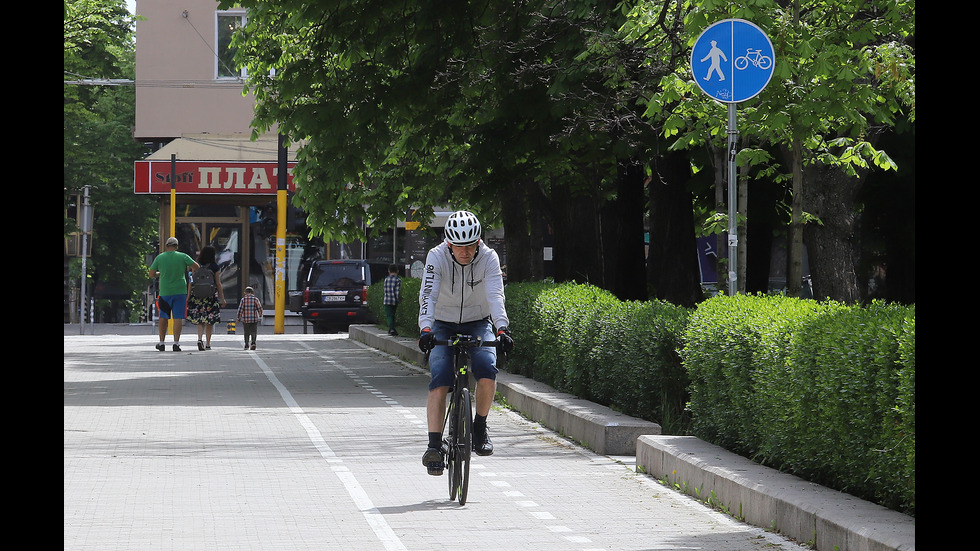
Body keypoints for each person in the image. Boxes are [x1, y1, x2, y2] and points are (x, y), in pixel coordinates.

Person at [418, 210, 514, 476]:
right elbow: (428, 294)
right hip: (442, 322)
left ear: (479, 241)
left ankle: (480, 426)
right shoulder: (436, 257)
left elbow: (495, 294)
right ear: (449, 243)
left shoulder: (489, 258)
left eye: (471, 245)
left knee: (487, 368)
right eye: (459, 246)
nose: (465, 251)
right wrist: (425, 328)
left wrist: (502, 328)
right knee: (440, 378)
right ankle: (434, 445)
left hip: (478, 321)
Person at [149, 236, 199, 351]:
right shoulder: (183, 256)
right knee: (178, 318)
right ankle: (176, 344)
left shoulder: (160, 258)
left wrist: (159, 273)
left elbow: (151, 274)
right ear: (177, 247)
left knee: (163, 317)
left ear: (166, 246)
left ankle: (161, 343)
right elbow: (196, 266)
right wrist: (187, 269)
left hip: (165, 292)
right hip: (180, 291)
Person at [187, 245, 226, 350]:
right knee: (210, 320)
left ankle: (200, 339)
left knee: (200, 320)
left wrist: (188, 296)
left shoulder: (196, 265)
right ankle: (208, 343)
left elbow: (191, 281)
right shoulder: (214, 267)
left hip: (197, 296)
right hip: (211, 297)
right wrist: (222, 299)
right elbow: (218, 284)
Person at [237, 286, 263, 350]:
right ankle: (253, 343)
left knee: (246, 332)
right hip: (254, 319)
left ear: (245, 293)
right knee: (254, 331)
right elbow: (259, 308)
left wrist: (238, 318)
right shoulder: (255, 299)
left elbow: (240, 309)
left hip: (245, 319)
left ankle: (246, 344)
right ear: (253, 292)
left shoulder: (243, 300)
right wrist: (260, 314)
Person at [383, 263, 401, 336]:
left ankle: (391, 328)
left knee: (389, 315)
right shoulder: (398, 280)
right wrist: (398, 299)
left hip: (386, 300)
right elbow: (397, 291)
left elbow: (385, 290)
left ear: (389, 271)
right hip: (394, 300)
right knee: (393, 315)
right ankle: (392, 328)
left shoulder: (386, 279)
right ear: (397, 271)